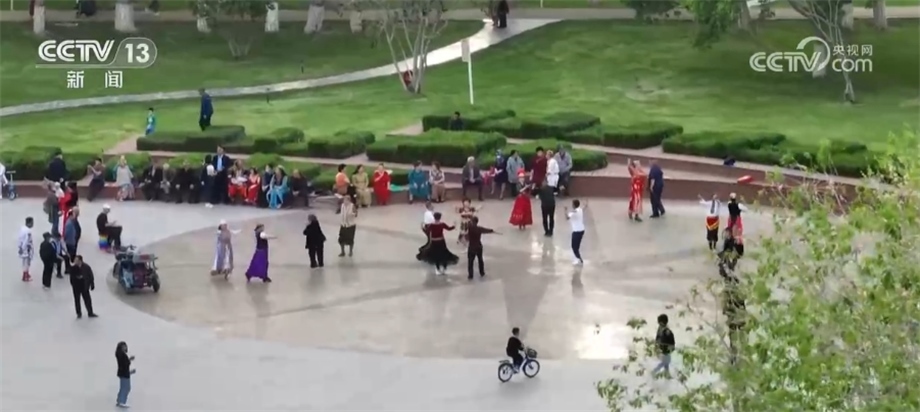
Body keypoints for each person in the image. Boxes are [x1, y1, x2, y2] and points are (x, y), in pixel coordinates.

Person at [722, 276, 746, 365]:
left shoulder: (727, 294)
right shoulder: (739, 294)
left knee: (733, 340)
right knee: (741, 339)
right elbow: (743, 307)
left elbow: (724, 310)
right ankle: (741, 358)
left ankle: (734, 358)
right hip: (740, 320)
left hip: (733, 320)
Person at [564, 199, 586, 265]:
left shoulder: (573, 212)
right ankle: (578, 258)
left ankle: (579, 259)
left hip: (576, 231)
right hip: (582, 230)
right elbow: (583, 208)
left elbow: (567, 218)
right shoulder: (580, 210)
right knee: (577, 246)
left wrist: (565, 210)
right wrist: (585, 205)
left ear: (573, 205)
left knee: (574, 247)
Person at [115, 341, 136, 408]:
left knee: (123, 387)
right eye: (123, 346)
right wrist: (130, 372)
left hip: (123, 373)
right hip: (124, 374)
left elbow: (124, 364)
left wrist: (129, 360)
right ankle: (121, 401)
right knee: (126, 388)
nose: (125, 348)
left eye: (125, 346)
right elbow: (125, 365)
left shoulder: (120, 355)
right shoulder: (122, 355)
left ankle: (119, 400)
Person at [726, 193, 746, 258]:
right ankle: (739, 251)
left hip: (731, 219)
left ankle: (729, 248)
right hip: (737, 220)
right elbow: (746, 209)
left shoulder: (729, 204)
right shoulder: (739, 205)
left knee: (730, 234)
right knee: (738, 235)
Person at [63, 207, 82, 274]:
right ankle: (68, 268)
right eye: (76, 213)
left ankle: (70, 268)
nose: (77, 215)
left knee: (71, 255)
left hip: (73, 241)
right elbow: (67, 233)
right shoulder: (70, 223)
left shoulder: (73, 221)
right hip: (71, 242)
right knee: (70, 255)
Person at [18, 217, 35, 282]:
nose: (33, 224)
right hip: (27, 250)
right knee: (27, 263)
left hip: (22, 248)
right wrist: (23, 248)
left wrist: (20, 247)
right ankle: (25, 276)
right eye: (32, 223)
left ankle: (26, 274)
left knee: (24, 262)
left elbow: (20, 238)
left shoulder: (22, 228)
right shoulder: (28, 231)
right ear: (29, 223)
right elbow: (26, 241)